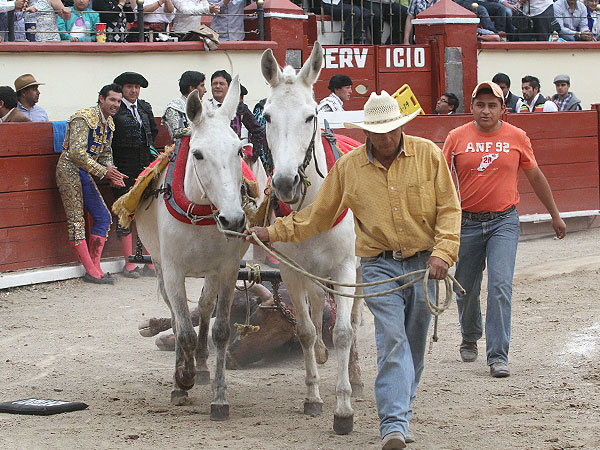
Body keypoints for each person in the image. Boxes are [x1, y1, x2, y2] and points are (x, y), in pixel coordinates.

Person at [246, 91, 462, 449]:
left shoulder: (429, 156)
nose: (386, 138)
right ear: (366, 134)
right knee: (392, 340)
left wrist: (443, 253)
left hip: (425, 264)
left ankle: (401, 407)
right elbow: (317, 217)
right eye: (378, 132)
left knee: (414, 344)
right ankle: (393, 423)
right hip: (379, 264)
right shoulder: (348, 168)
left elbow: (450, 210)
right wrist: (272, 231)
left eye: (392, 129)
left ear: (402, 126)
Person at [443, 81, 566, 378]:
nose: (486, 111)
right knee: (465, 288)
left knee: (500, 286)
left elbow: (535, 177)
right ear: (471, 107)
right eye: (480, 105)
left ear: (502, 109)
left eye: (492, 105)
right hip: (467, 222)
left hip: (504, 221)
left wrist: (555, 214)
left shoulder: (517, 137)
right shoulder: (455, 138)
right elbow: (440, 182)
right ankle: (470, 333)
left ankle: (498, 355)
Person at [55, 83, 128, 284]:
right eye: (112, 99)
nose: (116, 104)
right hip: (69, 170)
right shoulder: (84, 117)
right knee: (76, 220)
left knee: (104, 216)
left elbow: (105, 153)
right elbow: (76, 153)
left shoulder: (109, 123)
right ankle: (91, 270)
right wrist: (105, 172)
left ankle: (95, 267)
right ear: (101, 99)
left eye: (119, 101)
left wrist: (113, 173)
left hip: (85, 172)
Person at [112, 71, 158, 278]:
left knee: (146, 213)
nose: (133, 90)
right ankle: (129, 262)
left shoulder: (145, 107)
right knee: (125, 214)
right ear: (121, 88)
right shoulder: (115, 108)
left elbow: (153, 133)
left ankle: (147, 260)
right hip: (123, 166)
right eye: (130, 86)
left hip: (144, 166)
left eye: (137, 87)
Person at [209, 70, 265, 162]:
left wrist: (252, 155)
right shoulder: (205, 107)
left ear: (229, 87)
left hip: (233, 160)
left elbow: (258, 131)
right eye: (215, 83)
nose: (217, 86)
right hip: (210, 159)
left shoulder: (239, 108)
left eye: (221, 83)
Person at [162, 70, 206, 140]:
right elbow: (176, 132)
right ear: (192, 88)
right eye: (202, 86)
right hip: (183, 148)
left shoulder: (204, 106)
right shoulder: (174, 107)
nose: (205, 90)